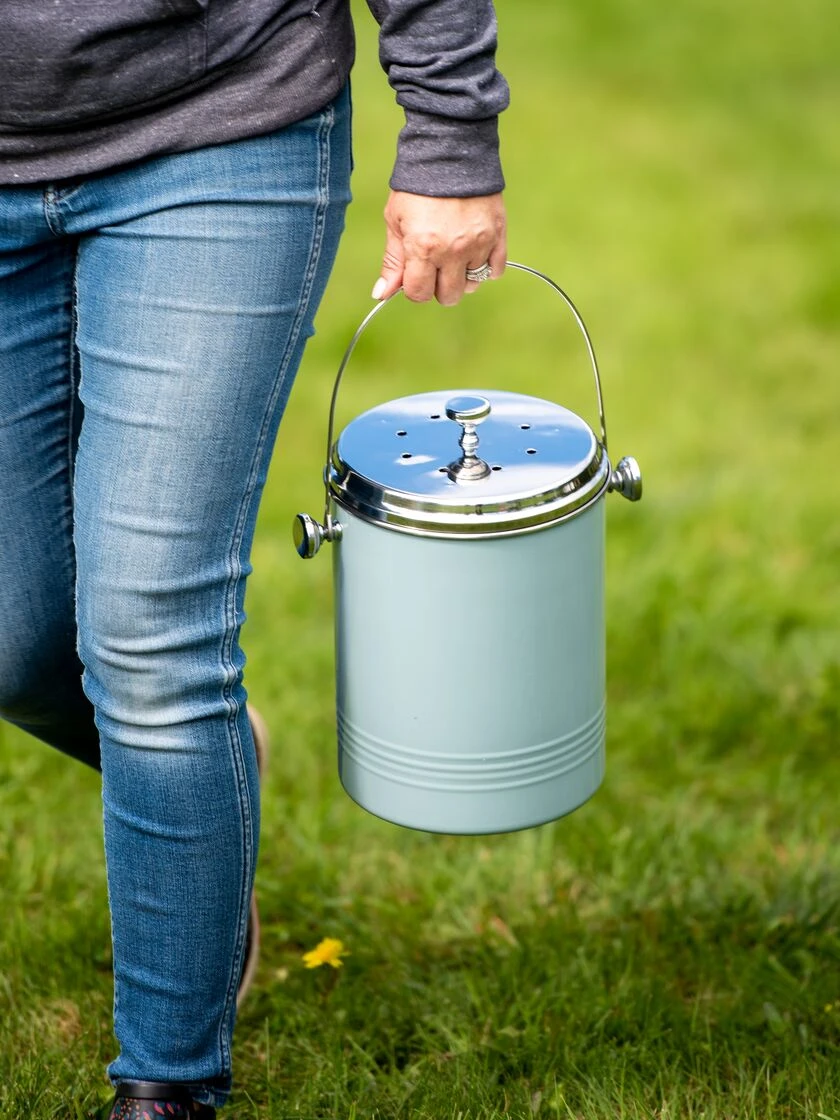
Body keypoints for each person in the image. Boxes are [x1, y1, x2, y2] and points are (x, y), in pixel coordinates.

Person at [0, 1, 508, 1116]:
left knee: (149, 643)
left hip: (217, 125)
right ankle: (214, 764)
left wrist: (452, 131)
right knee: (15, 640)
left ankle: (167, 1084)